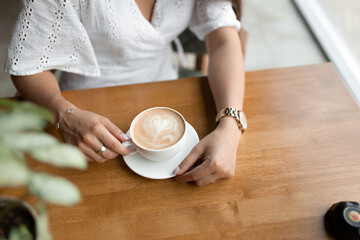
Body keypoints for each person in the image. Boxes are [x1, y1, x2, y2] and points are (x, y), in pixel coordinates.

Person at [4, 0, 245, 186]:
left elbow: (224, 40)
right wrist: (63, 115)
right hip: (85, 113)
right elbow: (26, 67)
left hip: (166, 90)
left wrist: (230, 126)